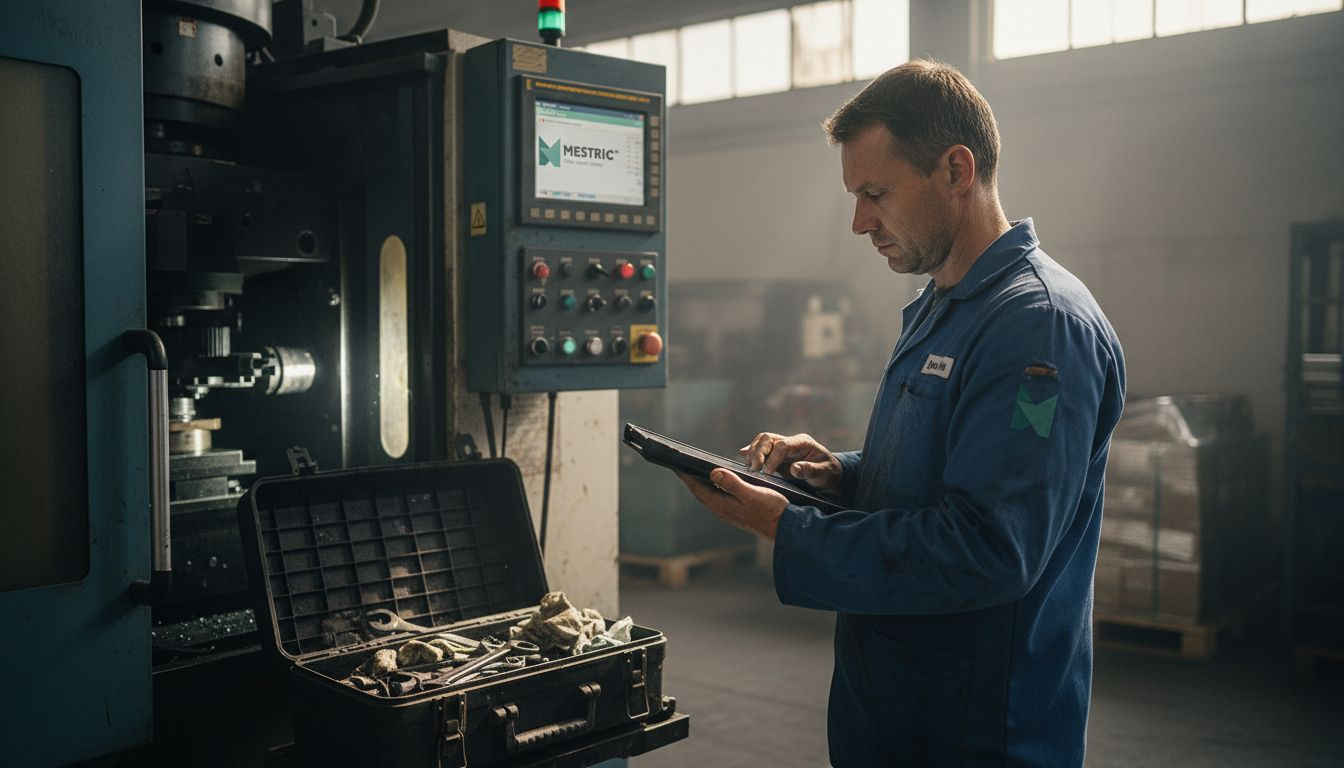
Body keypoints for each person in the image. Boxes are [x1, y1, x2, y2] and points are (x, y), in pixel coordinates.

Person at [678, 60, 1126, 767]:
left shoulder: (1037, 331)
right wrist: (837, 478)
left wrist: (786, 527)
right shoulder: (941, 307)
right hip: (894, 712)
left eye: (875, 193)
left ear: (956, 170)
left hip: (978, 733)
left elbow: (989, 547)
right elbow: (943, 474)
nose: (860, 222)